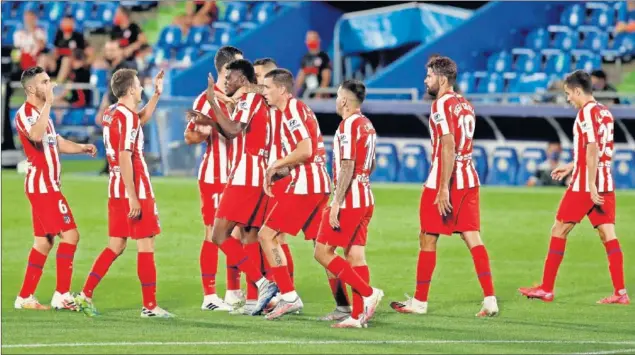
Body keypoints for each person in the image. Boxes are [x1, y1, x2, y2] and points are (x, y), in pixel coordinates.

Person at [390, 56, 499, 317]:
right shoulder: (466, 104)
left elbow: (448, 145)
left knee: (428, 236)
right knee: (472, 236)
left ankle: (419, 301)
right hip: (469, 178)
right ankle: (490, 298)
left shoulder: (440, 105)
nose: (425, 81)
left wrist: (442, 188)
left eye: (428, 76)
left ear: (441, 78)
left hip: (446, 178)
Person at [519, 70, 629, 305]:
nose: (568, 98)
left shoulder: (585, 114)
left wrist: (589, 184)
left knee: (558, 229)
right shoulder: (604, 112)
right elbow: (598, 148)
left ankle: (546, 289)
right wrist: (570, 166)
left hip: (586, 184)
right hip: (605, 180)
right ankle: (620, 292)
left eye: (569, 94)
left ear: (578, 91)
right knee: (607, 233)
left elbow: (591, 147)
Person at [74, 68, 175, 318]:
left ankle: (85, 294)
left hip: (115, 187)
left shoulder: (112, 113)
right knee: (146, 243)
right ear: (130, 89)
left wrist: (156, 95)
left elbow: (139, 120)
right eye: (140, 85)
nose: (142, 88)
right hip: (134, 186)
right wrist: (133, 196)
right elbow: (124, 155)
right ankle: (150, 307)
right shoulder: (127, 117)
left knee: (116, 245)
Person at [191, 59, 279, 316]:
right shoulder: (254, 100)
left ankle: (264, 284)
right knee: (251, 236)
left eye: (229, 78)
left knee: (219, 234)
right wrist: (210, 116)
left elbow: (231, 130)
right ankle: (254, 300)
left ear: (241, 79)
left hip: (245, 176)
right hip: (256, 176)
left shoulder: (250, 100)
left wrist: (211, 100)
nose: (226, 82)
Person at [13, 66, 97, 311]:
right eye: (44, 82)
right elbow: (36, 136)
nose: (49, 85)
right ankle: (62, 294)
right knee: (71, 235)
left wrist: (81, 147)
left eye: (49, 81)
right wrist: (49, 103)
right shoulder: (26, 113)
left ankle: (25, 297)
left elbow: (54, 141)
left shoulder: (42, 114)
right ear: (31, 89)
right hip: (42, 186)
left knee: (44, 242)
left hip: (47, 185)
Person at [259, 69, 332, 320]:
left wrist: (275, 165)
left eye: (266, 87)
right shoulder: (298, 109)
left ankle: (289, 296)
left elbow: (305, 149)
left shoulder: (291, 110)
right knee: (323, 248)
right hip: (318, 182)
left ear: (281, 89)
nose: (264, 93)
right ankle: (348, 303)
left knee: (266, 235)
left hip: (306, 184)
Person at [313, 80, 383, 328]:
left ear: (343, 100)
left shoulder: (348, 125)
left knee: (322, 252)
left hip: (350, 200)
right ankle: (356, 316)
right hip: (366, 197)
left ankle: (368, 292)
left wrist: (336, 202)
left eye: (337, 96)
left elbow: (347, 165)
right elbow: (371, 163)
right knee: (355, 255)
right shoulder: (367, 125)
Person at [184, 45, 244, 312]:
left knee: (239, 232)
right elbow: (189, 136)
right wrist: (205, 128)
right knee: (213, 232)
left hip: (240, 175)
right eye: (240, 67)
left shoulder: (241, 97)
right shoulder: (205, 99)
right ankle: (209, 296)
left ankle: (233, 292)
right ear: (227, 70)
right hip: (215, 176)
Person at [96, 40, 137, 174]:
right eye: (108, 50)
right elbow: (109, 92)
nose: (109, 53)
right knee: (113, 139)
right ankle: (111, 165)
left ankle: (122, 167)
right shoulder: (112, 69)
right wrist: (102, 110)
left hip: (123, 109)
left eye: (113, 50)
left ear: (120, 51)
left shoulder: (124, 68)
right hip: (114, 108)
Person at [40, 15, 94, 83]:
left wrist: (81, 61)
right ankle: (40, 83)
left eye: (69, 22)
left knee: (66, 59)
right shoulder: (59, 35)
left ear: (72, 23)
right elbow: (55, 51)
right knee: (43, 57)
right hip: (57, 63)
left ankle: (57, 85)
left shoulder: (78, 36)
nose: (66, 24)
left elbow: (86, 52)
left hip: (71, 65)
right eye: (65, 22)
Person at [53, 50, 93, 116]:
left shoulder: (78, 72)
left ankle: (59, 123)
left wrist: (54, 99)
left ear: (73, 59)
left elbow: (66, 90)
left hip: (80, 103)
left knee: (56, 104)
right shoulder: (85, 71)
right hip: (76, 100)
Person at [295, 31, 332, 99]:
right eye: (309, 39)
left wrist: (318, 95)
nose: (311, 41)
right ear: (306, 41)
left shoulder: (324, 57)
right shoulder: (305, 58)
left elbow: (326, 78)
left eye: (313, 38)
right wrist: (294, 93)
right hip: (307, 95)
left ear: (318, 40)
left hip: (321, 97)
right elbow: (300, 78)